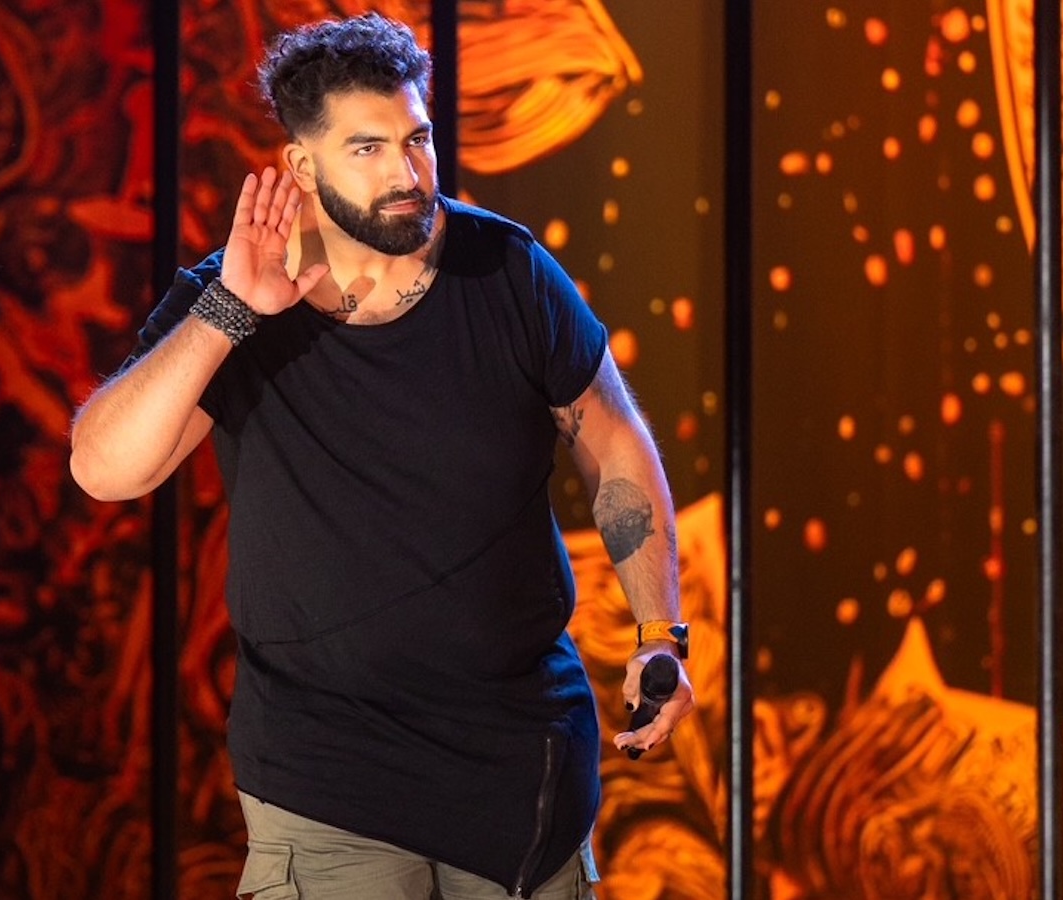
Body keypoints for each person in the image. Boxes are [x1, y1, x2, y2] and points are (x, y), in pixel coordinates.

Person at [69, 12, 696, 899]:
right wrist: (229, 314)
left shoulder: (505, 272)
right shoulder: (237, 297)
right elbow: (106, 470)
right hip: (329, 785)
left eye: (418, 139)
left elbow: (616, 441)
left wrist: (660, 632)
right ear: (301, 166)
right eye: (367, 149)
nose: (407, 174)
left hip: (521, 780)